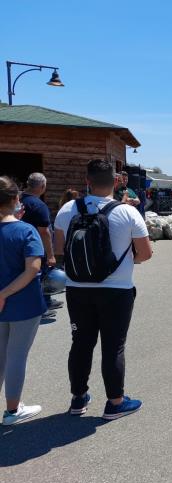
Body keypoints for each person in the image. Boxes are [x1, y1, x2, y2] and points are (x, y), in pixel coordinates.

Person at [54, 159, 153, 420]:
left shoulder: (67, 209)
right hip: (116, 290)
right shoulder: (127, 212)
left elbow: (58, 249)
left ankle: (78, 399)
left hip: (77, 288)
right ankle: (115, 402)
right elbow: (145, 253)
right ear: (116, 182)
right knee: (113, 347)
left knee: (81, 343)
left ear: (87, 180)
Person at [0, 176, 46, 425]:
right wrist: (4, 294)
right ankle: (12, 411)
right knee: (16, 356)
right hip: (24, 304)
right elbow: (32, 269)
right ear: (16, 199)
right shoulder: (25, 230)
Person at [20, 173, 59, 313]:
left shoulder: (16, 199)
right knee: (39, 276)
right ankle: (40, 307)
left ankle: (46, 301)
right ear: (42, 186)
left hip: (17, 246)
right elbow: (44, 232)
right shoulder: (39, 205)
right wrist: (50, 255)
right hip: (35, 248)